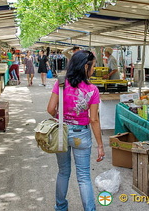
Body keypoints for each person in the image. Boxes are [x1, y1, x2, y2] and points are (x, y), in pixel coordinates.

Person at [47, 50, 104, 211]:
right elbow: (94, 119)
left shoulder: (61, 83)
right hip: (82, 135)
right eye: (93, 66)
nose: (94, 69)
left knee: (63, 172)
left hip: (62, 132)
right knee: (84, 177)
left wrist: (60, 116)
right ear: (86, 66)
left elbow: (50, 109)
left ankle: (60, 207)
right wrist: (100, 145)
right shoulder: (92, 90)